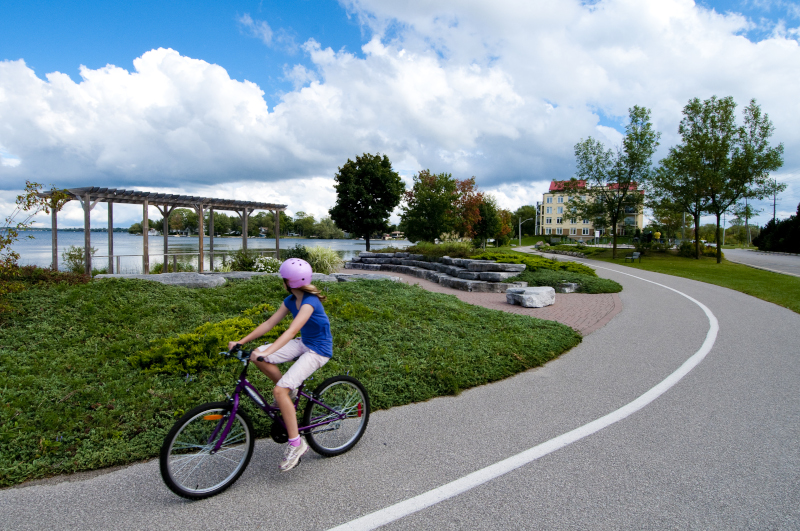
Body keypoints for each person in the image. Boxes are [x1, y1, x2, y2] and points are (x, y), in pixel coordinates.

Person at [228, 258, 332, 472]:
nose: (281, 282)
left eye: (283, 279)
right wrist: (242, 342)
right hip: (304, 343)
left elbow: (291, 331)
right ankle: (290, 393)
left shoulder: (310, 302)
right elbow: (269, 323)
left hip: (318, 351)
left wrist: (270, 352)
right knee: (255, 355)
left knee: (279, 390)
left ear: (289, 281)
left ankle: (297, 443)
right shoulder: (290, 299)